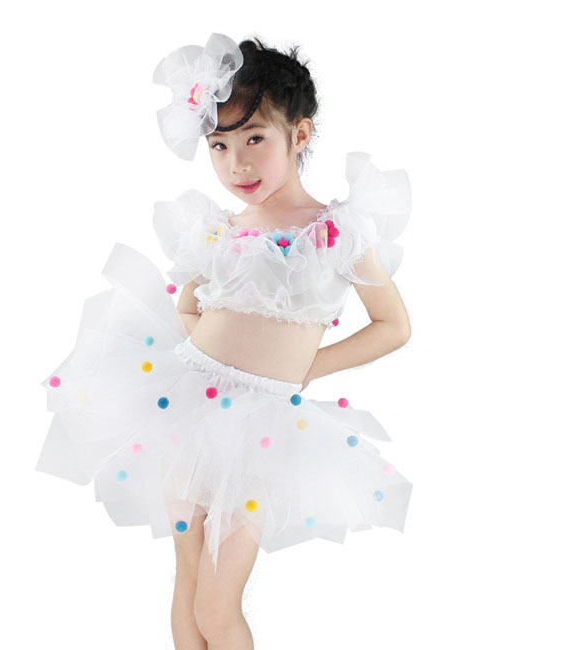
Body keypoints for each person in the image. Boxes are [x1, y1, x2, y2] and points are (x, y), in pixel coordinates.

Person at [37, 32, 413, 650]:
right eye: (219, 145)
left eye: (254, 140)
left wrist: (307, 368)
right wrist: (208, 358)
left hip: (262, 429)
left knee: (217, 603)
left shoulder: (338, 232)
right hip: (188, 409)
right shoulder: (220, 229)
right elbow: (188, 304)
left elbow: (393, 326)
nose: (237, 164)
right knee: (187, 589)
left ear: (300, 134)